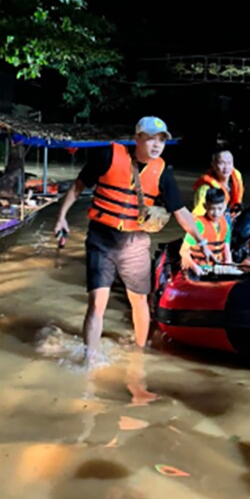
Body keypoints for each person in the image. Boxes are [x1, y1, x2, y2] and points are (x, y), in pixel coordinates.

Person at [54, 116, 215, 362]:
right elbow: (78, 187)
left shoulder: (162, 172)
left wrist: (200, 241)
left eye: (161, 140)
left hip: (136, 242)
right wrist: (62, 217)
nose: (156, 145)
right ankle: (89, 360)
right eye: (151, 138)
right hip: (102, 237)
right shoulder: (108, 155)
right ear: (137, 138)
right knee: (97, 301)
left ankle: (140, 356)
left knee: (139, 299)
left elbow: (181, 212)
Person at [180, 187, 232, 275]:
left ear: (224, 206)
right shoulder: (198, 225)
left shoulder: (225, 223)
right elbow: (183, 251)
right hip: (199, 266)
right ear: (205, 206)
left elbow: (226, 247)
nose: (216, 213)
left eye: (219, 209)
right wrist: (194, 267)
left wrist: (228, 263)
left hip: (217, 266)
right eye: (212, 209)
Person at [193, 149, 244, 218]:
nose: (226, 167)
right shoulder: (205, 189)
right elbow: (198, 214)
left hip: (232, 216)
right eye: (221, 163)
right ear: (213, 165)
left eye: (229, 163)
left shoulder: (236, 177)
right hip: (215, 221)